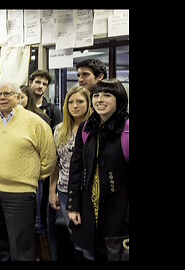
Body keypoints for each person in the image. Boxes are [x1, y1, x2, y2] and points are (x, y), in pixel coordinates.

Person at [0, 81, 57, 261]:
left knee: (21, 247)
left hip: (20, 194)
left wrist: (27, 176)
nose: (2, 97)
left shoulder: (35, 123)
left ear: (18, 97)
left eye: (7, 94)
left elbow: (49, 159)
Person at [67, 79, 129, 261]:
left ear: (118, 99)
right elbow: (76, 168)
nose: (100, 100)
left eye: (107, 95)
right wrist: (73, 206)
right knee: (88, 253)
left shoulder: (126, 128)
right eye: (96, 95)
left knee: (116, 255)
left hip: (120, 208)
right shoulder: (87, 127)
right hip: (88, 207)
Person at [49, 86, 92, 260]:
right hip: (65, 190)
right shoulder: (60, 129)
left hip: (87, 192)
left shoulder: (94, 128)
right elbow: (55, 163)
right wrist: (53, 191)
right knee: (73, 236)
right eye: (71, 102)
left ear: (89, 104)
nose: (75, 106)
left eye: (80, 102)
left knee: (87, 240)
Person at [20, 84, 52, 261]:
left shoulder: (41, 119)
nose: (18, 101)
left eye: (22, 98)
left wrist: (37, 174)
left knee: (37, 221)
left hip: (35, 178)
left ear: (29, 99)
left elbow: (47, 154)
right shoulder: (11, 120)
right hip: (17, 179)